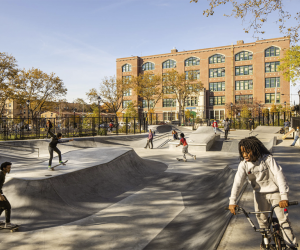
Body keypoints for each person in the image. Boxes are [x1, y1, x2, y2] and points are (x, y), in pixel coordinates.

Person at [228, 137, 297, 249]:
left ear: (255, 150)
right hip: (259, 194)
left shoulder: (267, 159)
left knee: (283, 220)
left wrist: (284, 196)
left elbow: (279, 176)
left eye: (247, 151)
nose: (244, 155)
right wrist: (232, 201)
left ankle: (291, 245)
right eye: (242, 152)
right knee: (262, 221)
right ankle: (266, 239)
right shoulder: (244, 164)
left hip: (276, 193)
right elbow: (237, 182)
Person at [0, 162, 15, 228]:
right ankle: (8, 223)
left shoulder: (3, 174)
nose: (10, 169)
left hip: (0, 192)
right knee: (7, 206)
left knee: (1, 207)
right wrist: (0, 196)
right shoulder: (0, 175)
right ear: (4, 168)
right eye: (8, 168)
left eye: (10, 168)